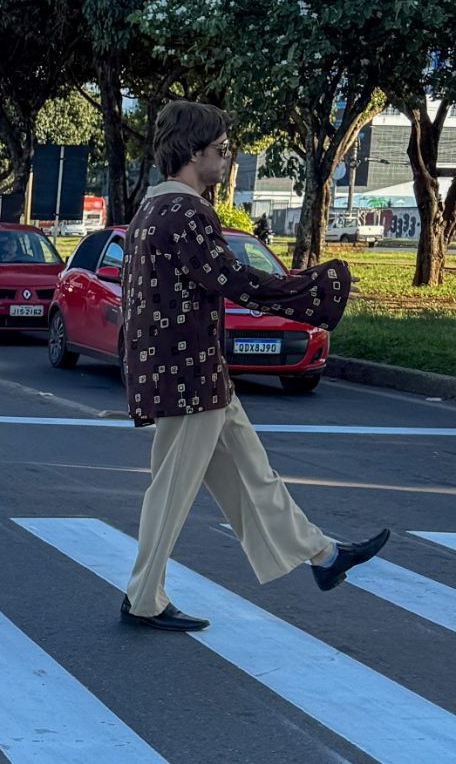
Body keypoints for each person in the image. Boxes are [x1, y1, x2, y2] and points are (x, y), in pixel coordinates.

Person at [118, 100, 389, 632]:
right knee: (171, 490)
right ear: (195, 154)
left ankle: (322, 557)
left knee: (252, 476)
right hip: (189, 375)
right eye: (220, 150)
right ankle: (142, 598)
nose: (226, 159)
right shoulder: (187, 212)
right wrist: (315, 290)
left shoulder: (153, 208)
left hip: (189, 370)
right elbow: (233, 279)